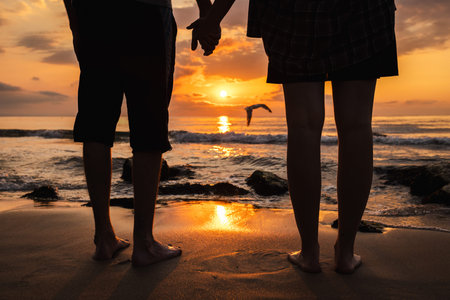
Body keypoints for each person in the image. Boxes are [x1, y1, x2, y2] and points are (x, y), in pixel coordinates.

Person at [188, 0, 398, 273]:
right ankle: (345, 253)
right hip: (363, 10)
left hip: (291, 12)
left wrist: (214, 16)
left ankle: (309, 252)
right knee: (356, 126)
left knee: (304, 128)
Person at [63, 0, 218, 266]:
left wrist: (76, 24)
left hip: (93, 14)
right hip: (147, 12)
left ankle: (103, 237)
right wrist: (207, 13)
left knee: (96, 128)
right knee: (149, 124)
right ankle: (144, 242)